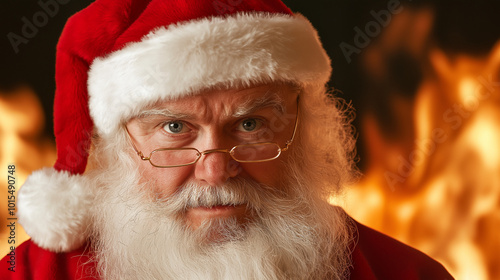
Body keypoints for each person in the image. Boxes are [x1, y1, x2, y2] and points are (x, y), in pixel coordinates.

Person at [1, 0, 453, 279]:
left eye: (251, 124)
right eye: (175, 128)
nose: (216, 169)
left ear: (303, 128)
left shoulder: (407, 275)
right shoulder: (26, 276)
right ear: (122, 145)